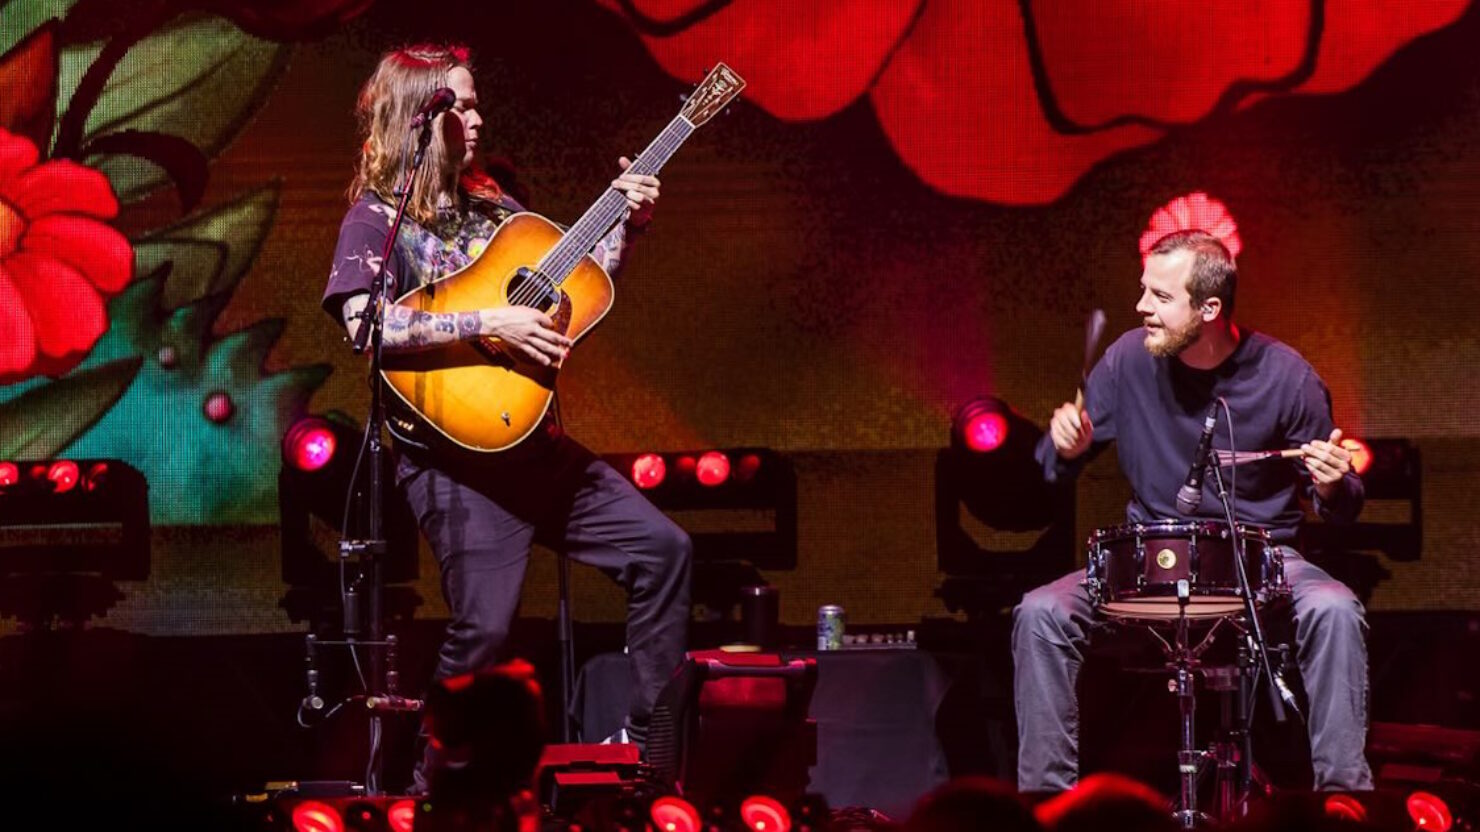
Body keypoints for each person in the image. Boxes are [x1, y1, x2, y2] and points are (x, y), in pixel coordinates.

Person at [321, 43, 692, 787]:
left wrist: (626, 223)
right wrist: (487, 324)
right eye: (462, 104)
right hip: (456, 466)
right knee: (485, 632)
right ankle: (432, 787)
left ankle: (656, 758)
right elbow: (365, 326)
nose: (479, 117)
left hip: (537, 450)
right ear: (420, 117)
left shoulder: (496, 206)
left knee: (664, 551)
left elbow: (573, 288)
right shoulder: (375, 220)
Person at [1013, 229, 1370, 792]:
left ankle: (1346, 802)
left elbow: (1344, 506)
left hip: (1261, 562)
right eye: (1142, 291)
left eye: (1159, 297)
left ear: (1209, 308)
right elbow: (1047, 472)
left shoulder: (1286, 374)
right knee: (1041, 613)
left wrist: (1330, 485)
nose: (1141, 308)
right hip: (1148, 558)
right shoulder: (1127, 359)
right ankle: (1045, 803)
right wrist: (1062, 448)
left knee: (1335, 609)